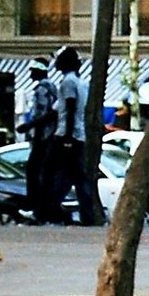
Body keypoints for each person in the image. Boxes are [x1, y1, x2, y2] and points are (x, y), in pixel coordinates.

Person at [49, 46, 96, 226]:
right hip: (78, 135)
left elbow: (70, 107)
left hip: (66, 135)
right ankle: (86, 214)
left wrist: (67, 137)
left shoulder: (68, 83)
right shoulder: (81, 83)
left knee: (52, 172)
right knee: (76, 176)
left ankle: (49, 210)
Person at [14, 57, 57, 224]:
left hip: (43, 137)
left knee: (33, 171)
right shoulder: (52, 87)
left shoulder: (42, 89)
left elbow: (45, 114)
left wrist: (30, 127)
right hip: (47, 136)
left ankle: (35, 207)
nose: (30, 73)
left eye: (32, 70)